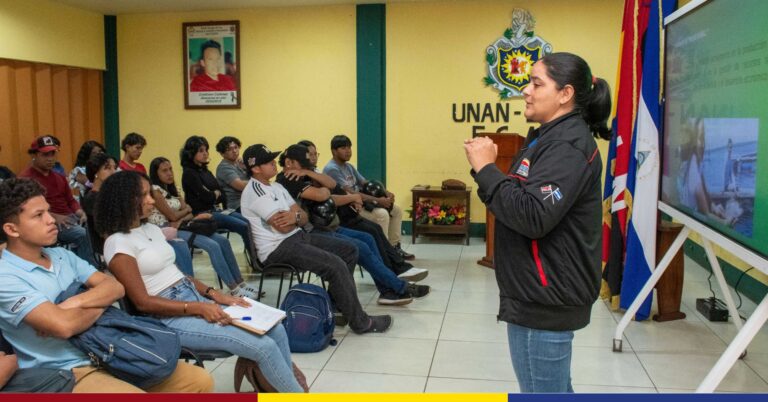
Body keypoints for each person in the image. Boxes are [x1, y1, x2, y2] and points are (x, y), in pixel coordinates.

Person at [464, 52, 610, 393]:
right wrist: (486, 174)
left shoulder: (567, 145)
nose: (525, 91)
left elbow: (532, 216)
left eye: (536, 83)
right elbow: (516, 199)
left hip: (546, 298)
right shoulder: (546, 138)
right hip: (536, 291)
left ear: (565, 94)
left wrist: (488, 169)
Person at [96, 171, 303, 393]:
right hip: (167, 318)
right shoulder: (117, 243)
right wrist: (197, 307)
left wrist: (215, 294)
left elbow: (179, 276)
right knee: (263, 347)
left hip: (191, 299)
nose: (151, 200)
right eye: (144, 195)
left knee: (276, 329)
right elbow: (143, 302)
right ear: (125, 201)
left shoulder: (150, 229)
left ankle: (284, 391)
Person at [0, 178, 213, 393]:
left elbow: (115, 287)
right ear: (12, 229)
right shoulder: (5, 276)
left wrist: (72, 304)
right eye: (39, 216)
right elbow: (63, 327)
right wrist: (99, 303)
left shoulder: (62, 255)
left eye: (48, 211)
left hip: (110, 349)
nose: (51, 220)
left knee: (198, 381)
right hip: (67, 371)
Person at [240, 143, 391, 333]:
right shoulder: (255, 192)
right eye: (268, 162)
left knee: (350, 250)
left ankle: (337, 307)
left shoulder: (276, 186)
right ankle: (361, 323)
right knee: (335, 265)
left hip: (297, 236)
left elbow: (302, 217)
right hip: (277, 249)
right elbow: (283, 227)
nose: (273, 164)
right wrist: (295, 217)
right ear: (255, 168)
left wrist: (294, 217)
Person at [277, 144, 430, 305]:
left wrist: (308, 173)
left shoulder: (303, 174)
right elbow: (322, 194)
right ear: (289, 163)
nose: (309, 165)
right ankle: (397, 287)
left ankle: (388, 290)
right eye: (304, 164)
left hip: (325, 226)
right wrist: (337, 193)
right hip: (311, 231)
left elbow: (331, 185)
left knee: (368, 238)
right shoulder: (288, 179)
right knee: (360, 246)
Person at [299, 140, 427, 282]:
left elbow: (341, 188)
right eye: (310, 154)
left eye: (315, 154)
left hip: (346, 211)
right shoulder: (325, 171)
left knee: (378, 226)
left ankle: (396, 262)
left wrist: (384, 193)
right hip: (336, 219)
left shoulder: (325, 171)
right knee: (376, 225)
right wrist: (361, 199)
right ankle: (391, 271)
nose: (314, 157)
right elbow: (332, 195)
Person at [149, 157, 259, 298]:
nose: (170, 173)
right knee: (212, 245)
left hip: (182, 226)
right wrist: (182, 214)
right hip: (165, 232)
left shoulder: (174, 189)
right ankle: (234, 289)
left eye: (170, 169)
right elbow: (173, 215)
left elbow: (187, 212)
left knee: (223, 241)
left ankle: (240, 283)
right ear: (155, 173)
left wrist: (180, 215)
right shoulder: (155, 191)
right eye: (164, 171)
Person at [322, 135, 414, 260]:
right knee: (382, 214)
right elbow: (350, 193)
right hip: (348, 208)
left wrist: (385, 192)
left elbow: (364, 182)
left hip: (362, 203)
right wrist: (378, 201)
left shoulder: (349, 166)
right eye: (343, 148)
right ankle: (383, 253)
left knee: (396, 210)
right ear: (334, 151)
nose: (348, 151)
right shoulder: (332, 169)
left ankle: (394, 248)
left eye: (349, 147)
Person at [18, 135, 95, 267]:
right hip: (45, 222)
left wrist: (80, 212)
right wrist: (54, 217)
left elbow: (70, 200)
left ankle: (78, 267)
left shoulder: (59, 177)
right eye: (45, 154)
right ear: (34, 155)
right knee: (81, 234)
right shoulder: (25, 179)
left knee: (92, 224)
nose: (50, 158)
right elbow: (25, 209)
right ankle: (89, 270)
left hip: (68, 219)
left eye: (53, 154)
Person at [180, 135, 252, 255]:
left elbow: (221, 194)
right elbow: (207, 197)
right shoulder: (189, 173)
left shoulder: (205, 171)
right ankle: (257, 262)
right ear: (191, 153)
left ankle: (258, 257)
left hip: (216, 210)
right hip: (203, 213)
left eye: (206, 150)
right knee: (244, 225)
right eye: (201, 151)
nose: (205, 154)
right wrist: (213, 194)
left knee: (248, 222)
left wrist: (214, 194)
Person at [215, 136, 249, 211]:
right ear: (222, 154)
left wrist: (247, 168)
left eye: (236, 147)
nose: (234, 151)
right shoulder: (224, 167)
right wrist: (259, 182)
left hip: (249, 201)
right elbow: (241, 186)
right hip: (236, 206)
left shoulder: (240, 163)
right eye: (229, 149)